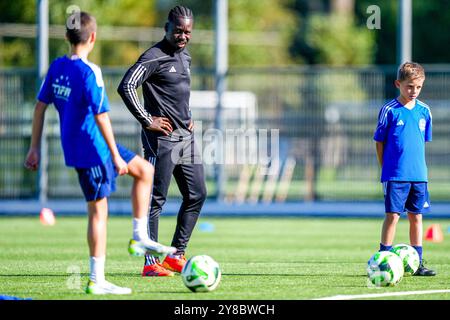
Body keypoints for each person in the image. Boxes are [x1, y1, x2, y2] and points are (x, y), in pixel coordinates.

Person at [24, 11, 176, 295]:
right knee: (98, 213)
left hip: (86, 145)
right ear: (92, 37)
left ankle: (139, 236)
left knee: (145, 170)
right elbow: (101, 116)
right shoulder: (89, 72)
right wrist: (116, 157)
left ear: (67, 37)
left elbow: (39, 107)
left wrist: (34, 148)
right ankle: (97, 279)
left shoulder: (56, 67)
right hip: (93, 150)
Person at [117, 5, 207, 277]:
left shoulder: (186, 57)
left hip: (185, 138)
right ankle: (150, 263)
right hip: (161, 140)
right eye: (178, 30)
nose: (183, 36)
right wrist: (147, 120)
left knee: (197, 193)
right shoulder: (153, 57)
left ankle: (176, 254)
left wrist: (188, 117)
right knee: (156, 199)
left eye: (187, 32)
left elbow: (179, 95)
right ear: (166, 28)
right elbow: (126, 86)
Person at [373, 61, 436, 276]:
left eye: (418, 87)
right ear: (398, 84)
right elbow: (379, 142)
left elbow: (420, 143)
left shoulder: (425, 111)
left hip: (419, 175)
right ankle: (383, 258)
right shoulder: (389, 110)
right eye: (410, 86)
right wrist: (386, 169)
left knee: (416, 216)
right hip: (395, 175)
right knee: (392, 216)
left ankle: (417, 262)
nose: (414, 91)